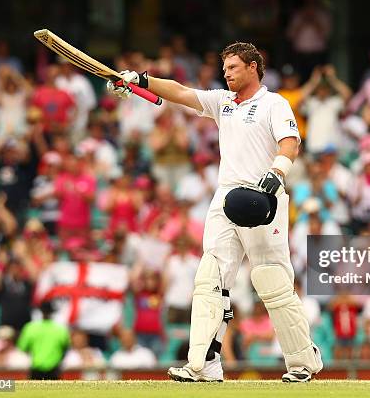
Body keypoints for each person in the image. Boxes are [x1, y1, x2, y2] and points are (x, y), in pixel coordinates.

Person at [106, 42, 322, 382]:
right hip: (226, 197)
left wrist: (276, 173)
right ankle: (204, 363)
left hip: (262, 197)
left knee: (272, 280)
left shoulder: (273, 103)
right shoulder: (223, 103)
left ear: (253, 67)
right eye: (225, 68)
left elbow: (290, 143)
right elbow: (179, 91)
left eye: (233, 67)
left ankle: (302, 362)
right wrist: (139, 80)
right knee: (210, 278)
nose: (226, 73)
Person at [17, 301, 70, 380]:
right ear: (52, 313)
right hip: (54, 370)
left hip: (36, 368)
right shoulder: (60, 329)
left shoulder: (30, 328)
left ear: (40, 312)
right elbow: (66, 348)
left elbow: (22, 347)